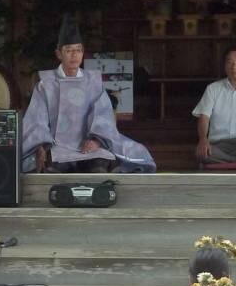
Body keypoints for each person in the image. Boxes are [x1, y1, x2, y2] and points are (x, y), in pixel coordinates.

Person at [22, 15, 156, 173]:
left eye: (78, 50)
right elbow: (36, 121)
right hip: (57, 146)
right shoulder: (46, 84)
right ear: (59, 54)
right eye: (69, 50)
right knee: (55, 165)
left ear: (83, 53)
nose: (74, 55)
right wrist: (41, 146)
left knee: (101, 162)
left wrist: (96, 140)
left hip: (88, 144)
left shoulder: (93, 82)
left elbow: (104, 115)